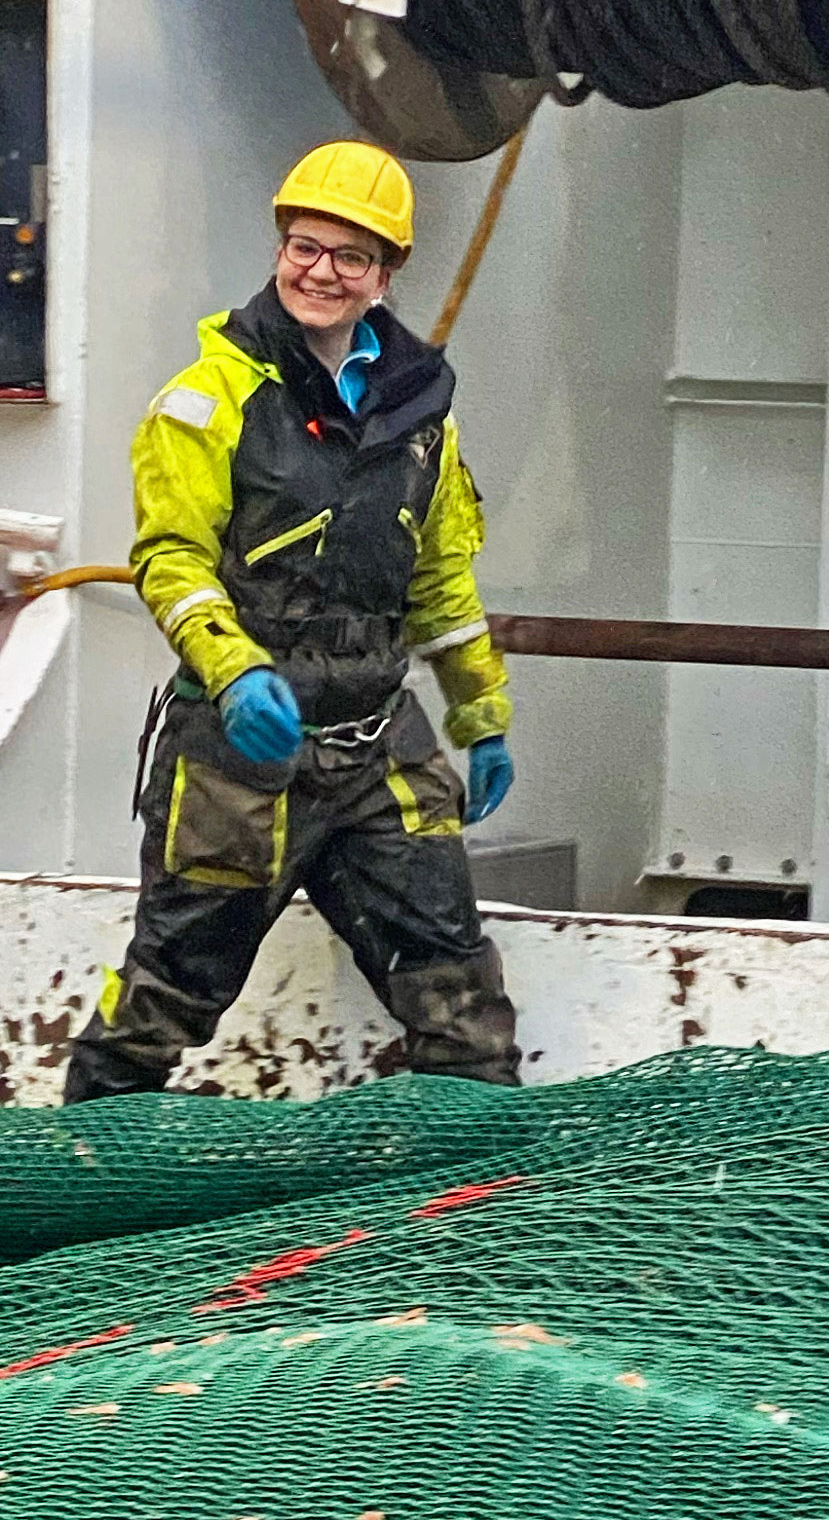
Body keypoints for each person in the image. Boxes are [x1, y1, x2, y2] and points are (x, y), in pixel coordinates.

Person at [62, 139, 520, 1101]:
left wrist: (481, 717)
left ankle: (475, 1189)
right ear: (279, 250)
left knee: (460, 1002)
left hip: (378, 751)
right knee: (166, 996)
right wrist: (234, 673)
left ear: (384, 276)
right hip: (237, 760)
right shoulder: (207, 400)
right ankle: (81, 1160)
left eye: (350, 256)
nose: (321, 272)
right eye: (304, 247)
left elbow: (441, 579)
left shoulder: (421, 416)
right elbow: (171, 560)